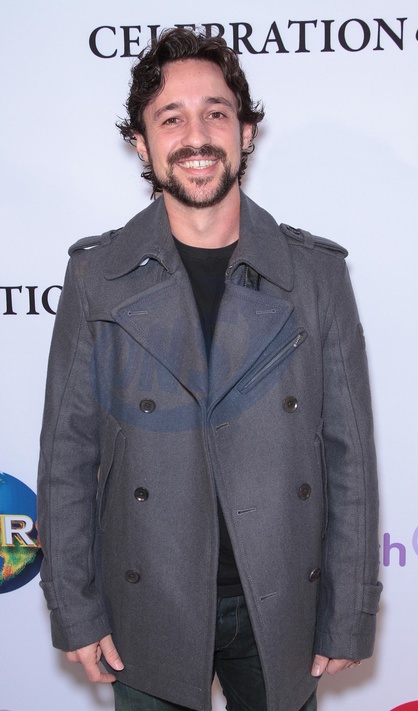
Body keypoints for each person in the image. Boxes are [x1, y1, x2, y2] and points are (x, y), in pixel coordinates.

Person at [37, 28, 382, 711]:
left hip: (280, 604)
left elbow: (350, 457)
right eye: (171, 118)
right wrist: (73, 605)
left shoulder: (315, 276)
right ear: (142, 144)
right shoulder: (96, 277)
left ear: (246, 132)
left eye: (216, 113)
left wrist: (349, 611)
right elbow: (67, 453)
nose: (196, 137)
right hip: (146, 604)